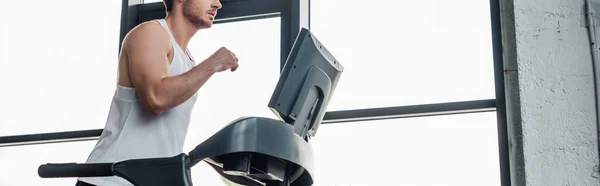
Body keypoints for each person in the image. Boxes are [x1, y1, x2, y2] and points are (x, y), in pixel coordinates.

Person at [76, 0, 238, 185]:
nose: (218, 4)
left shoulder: (188, 60)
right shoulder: (150, 33)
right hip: (110, 180)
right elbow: (156, 98)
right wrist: (213, 63)